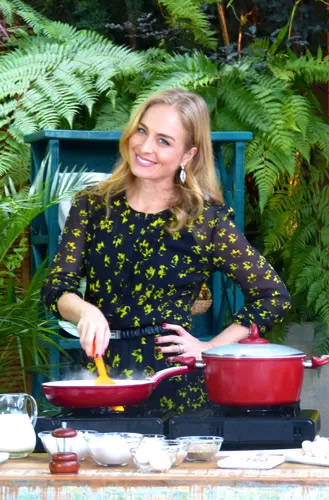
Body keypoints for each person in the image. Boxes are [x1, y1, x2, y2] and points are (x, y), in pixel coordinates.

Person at [42, 88, 292, 413]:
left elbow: (273, 297)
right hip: (99, 385)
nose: (144, 147)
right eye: (142, 131)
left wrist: (211, 349)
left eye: (164, 140)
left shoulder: (205, 222)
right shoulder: (91, 204)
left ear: (188, 155)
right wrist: (85, 311)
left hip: (173, 389)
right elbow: (56, 288)